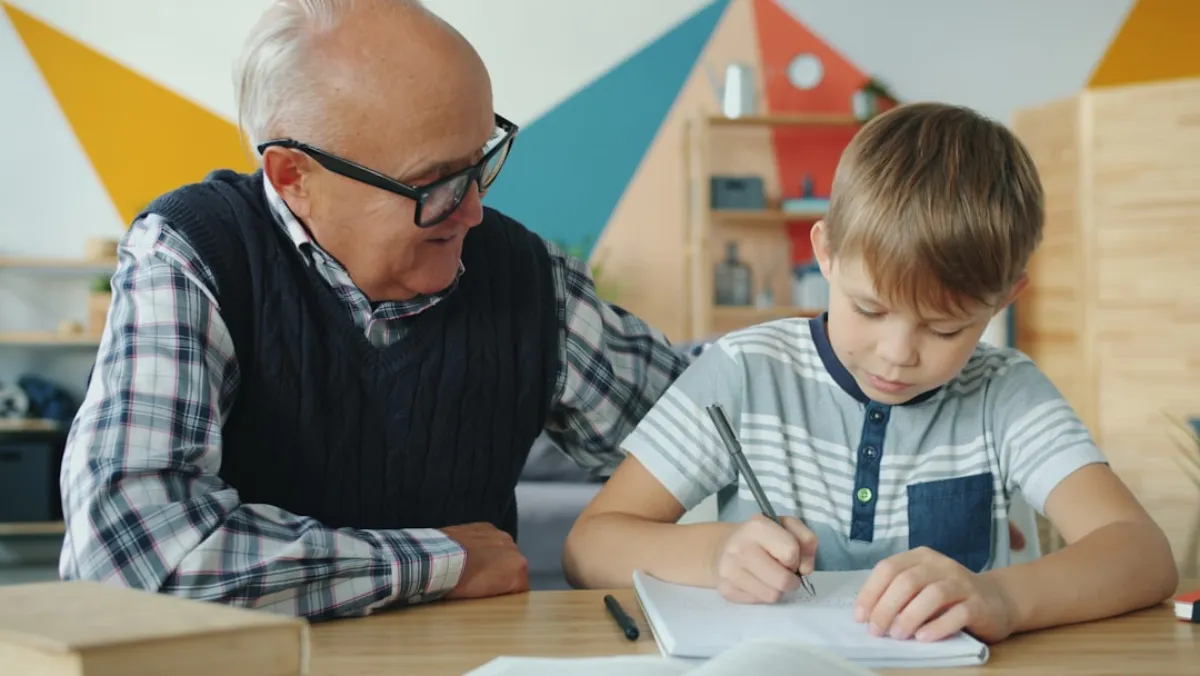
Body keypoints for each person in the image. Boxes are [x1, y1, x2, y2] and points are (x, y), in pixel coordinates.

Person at [56, 0, 692, 620]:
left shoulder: (523, 275)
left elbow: (702, 434)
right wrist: (436, 562)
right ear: (292, 177)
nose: (472, 211)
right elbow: (130, 557)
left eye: (480, 162)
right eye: (434, 182)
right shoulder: (193, 256)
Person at [562, 102, 1178, 644]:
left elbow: (1143, 553)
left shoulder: (1005, 393)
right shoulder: (744, 372)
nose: (897, 354)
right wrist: (717, 552)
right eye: (869, 308)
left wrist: (1003, 599)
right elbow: (589, 546)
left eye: (944, 329)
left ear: (1003, 301)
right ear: (825, 254)